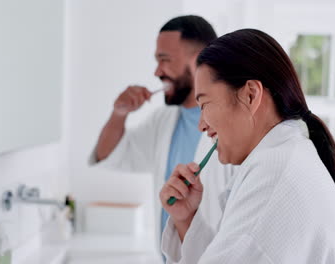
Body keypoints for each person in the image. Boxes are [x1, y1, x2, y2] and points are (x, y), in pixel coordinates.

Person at [160, 28, 335, 263]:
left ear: (250, 94)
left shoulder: (274, 176)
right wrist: (186, 219)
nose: (201, 125)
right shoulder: (284, 158)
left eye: (205, 104)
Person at [89, 15, 234, 251]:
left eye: (165, 60)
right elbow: (111, 156)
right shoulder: (163, 120)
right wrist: (119, 113)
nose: (157, 71)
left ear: (200, 60)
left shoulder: (233, 128)